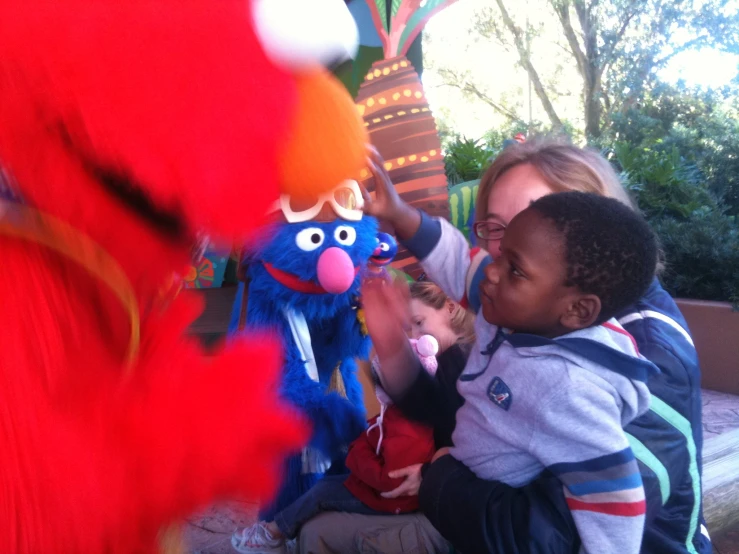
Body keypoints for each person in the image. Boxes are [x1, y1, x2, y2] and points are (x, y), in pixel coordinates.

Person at [297, 139, 710, 554]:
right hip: (468, 506)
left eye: (528, 224)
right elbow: (462, 268)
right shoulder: (525, 306)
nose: (493, 260)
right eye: (496, 229)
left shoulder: (602, 372)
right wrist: (400, 223)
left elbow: (583, 520)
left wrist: (440, 478)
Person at [368, 191, 660, 554]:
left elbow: (614, 501)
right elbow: (462, 265)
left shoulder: (567, 390)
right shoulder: (523, 313)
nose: (491, 269)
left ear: (578, 310)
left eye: (515, 269)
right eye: (501, 254)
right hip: (460, 495)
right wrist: (400, 213)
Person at [232, 282, 475, 554]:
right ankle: (277, 531)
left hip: (409, 488)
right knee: (327, 492)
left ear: (451, 309)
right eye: (410, 328)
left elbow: (410, 442)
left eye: (419, 323)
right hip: (414, 480)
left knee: (326, 492)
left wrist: (358, 455)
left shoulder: (456, 368)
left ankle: (273, 533)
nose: (416, 335)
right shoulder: (443, 362)